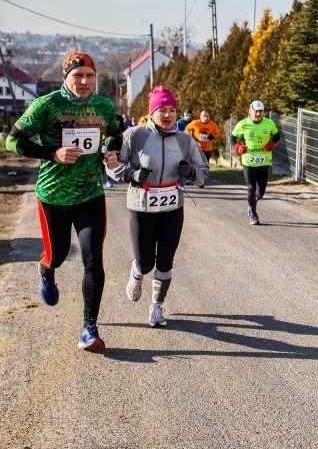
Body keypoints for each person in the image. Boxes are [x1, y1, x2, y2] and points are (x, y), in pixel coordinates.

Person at [4, 51, 122, 352]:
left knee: (93, 258)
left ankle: (89, 328)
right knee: (57, 255)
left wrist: (112, 152)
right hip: (54, 196)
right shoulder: (47, 105)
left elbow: (116, 133)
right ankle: (47, 270)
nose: (84, 82)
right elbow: (13, 140)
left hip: (90, 194)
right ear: (65, 78)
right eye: (78, 76)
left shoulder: (104, 106)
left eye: (90, 76)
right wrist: (52, 154)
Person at [108, 86, 208, 327]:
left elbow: (204, 171)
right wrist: (132, 174)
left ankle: (157, 307)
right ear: (151, 113)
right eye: (161, 109)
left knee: (165, 261)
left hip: (172, 208)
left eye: (172, 110)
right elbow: (112, 166)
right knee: (145, 262)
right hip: (142, 208)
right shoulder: (134, 135)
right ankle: (137, 273)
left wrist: (192, 172)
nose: (168, 114)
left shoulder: (185, 139)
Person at [231, 100, 280, 225]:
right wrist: (238, 147)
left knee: (261, 190)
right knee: (251, 187)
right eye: (256, 111)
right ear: (250, 111)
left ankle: (252, 202)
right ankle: (253, 213)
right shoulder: (243, 124)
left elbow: (276, 135)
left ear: (263, 112)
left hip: (264, 160)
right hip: (248, 161)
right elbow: (232, 138)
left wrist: (271, 143)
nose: (258, 114)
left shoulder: (269, 123)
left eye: (260, 111)